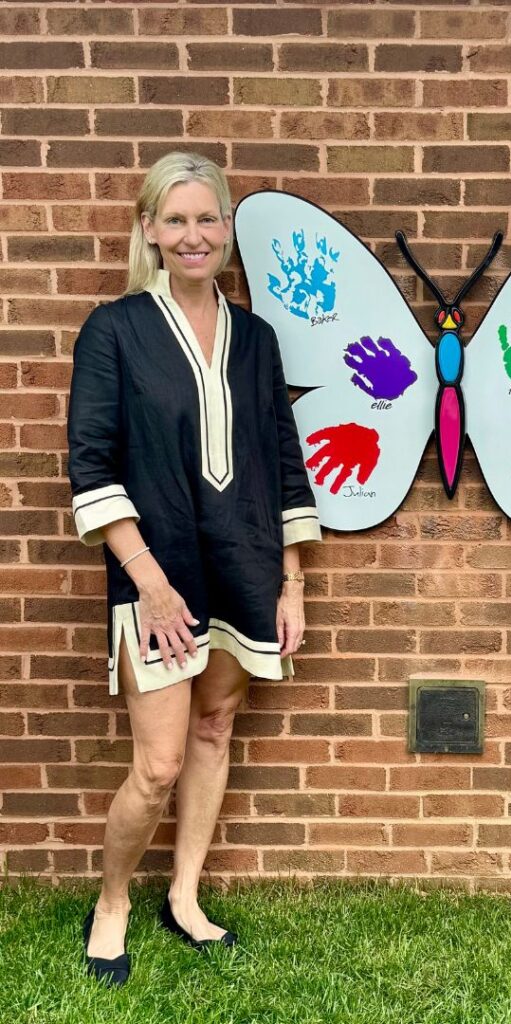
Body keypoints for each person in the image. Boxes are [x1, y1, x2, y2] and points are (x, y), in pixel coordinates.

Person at [67, 151, 321, 986]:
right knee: (159, 763)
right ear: (149, 229)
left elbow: (285, 463)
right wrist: (149, 580)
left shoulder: (256, 339)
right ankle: (113, 903)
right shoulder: (115, 330)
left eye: (206, 218)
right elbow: (91, 465)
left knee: (217, 730)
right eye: (174, 220)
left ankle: (184, 896)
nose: (193, 234)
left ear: (226, 230)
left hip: (244, 566)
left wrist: (293, 581)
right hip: (158, 575)